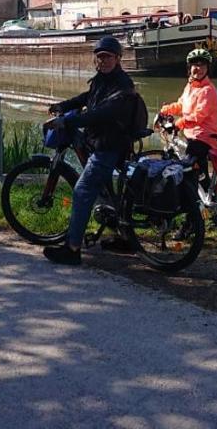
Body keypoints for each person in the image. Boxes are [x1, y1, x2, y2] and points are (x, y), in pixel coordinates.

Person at [41, 35, 139, 266]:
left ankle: (72, 249)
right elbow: (87, 98)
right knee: (107, 191)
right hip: (102, 141)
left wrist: (69, 122)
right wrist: (64, 106)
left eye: (108, 57)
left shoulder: (122, 84)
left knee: (83, 190)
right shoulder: (101, 81)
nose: (103, 61)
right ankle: (124, 236)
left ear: (118, 59)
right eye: (100, 57)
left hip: (109, 146)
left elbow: (101, 113)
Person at [156, 48, 217, 172]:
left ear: (208, 69)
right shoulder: (190, 86)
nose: (199, 69)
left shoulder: (208, 90)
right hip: (191, 135)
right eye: (195, 65)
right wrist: (166, 110)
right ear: (189, 67)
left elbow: (199, 115)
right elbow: (181, 105)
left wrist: (179, 123)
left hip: (204, 137)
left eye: (203, 65)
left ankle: (203, 187)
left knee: (192, 168)